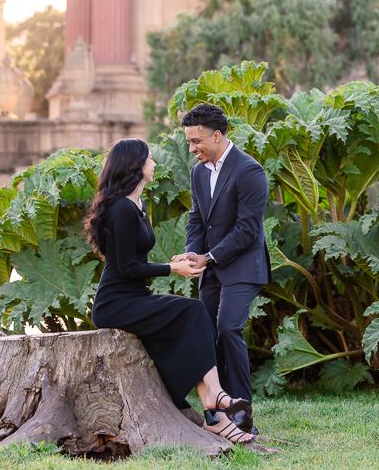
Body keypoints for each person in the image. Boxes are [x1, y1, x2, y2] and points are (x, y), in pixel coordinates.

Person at [87, 138, 256, 445]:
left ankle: (212, 413)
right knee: (193, 310)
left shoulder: (138, 205)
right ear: (136, 166)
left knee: (195, 313)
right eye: (150, 159)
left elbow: (137, 261)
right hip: (115, 302)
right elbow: (126, 269)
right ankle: (215, 401)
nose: (154, 163)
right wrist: (170, 268)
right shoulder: (121, 209)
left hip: (136, 297)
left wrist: (175, 261)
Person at [175, 103, 272, 435]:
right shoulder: (198, 172)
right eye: (188, 142)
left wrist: (209, 257)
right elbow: (196, 218)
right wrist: (193, 253)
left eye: (196, 141)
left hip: (244, 266)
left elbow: (247, 230)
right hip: (212, 268)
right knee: (207, 335)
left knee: (229, 328)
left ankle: (244, 414)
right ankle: (218, 409)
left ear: (217, 136)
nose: (191, 149)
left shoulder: (250, 171)